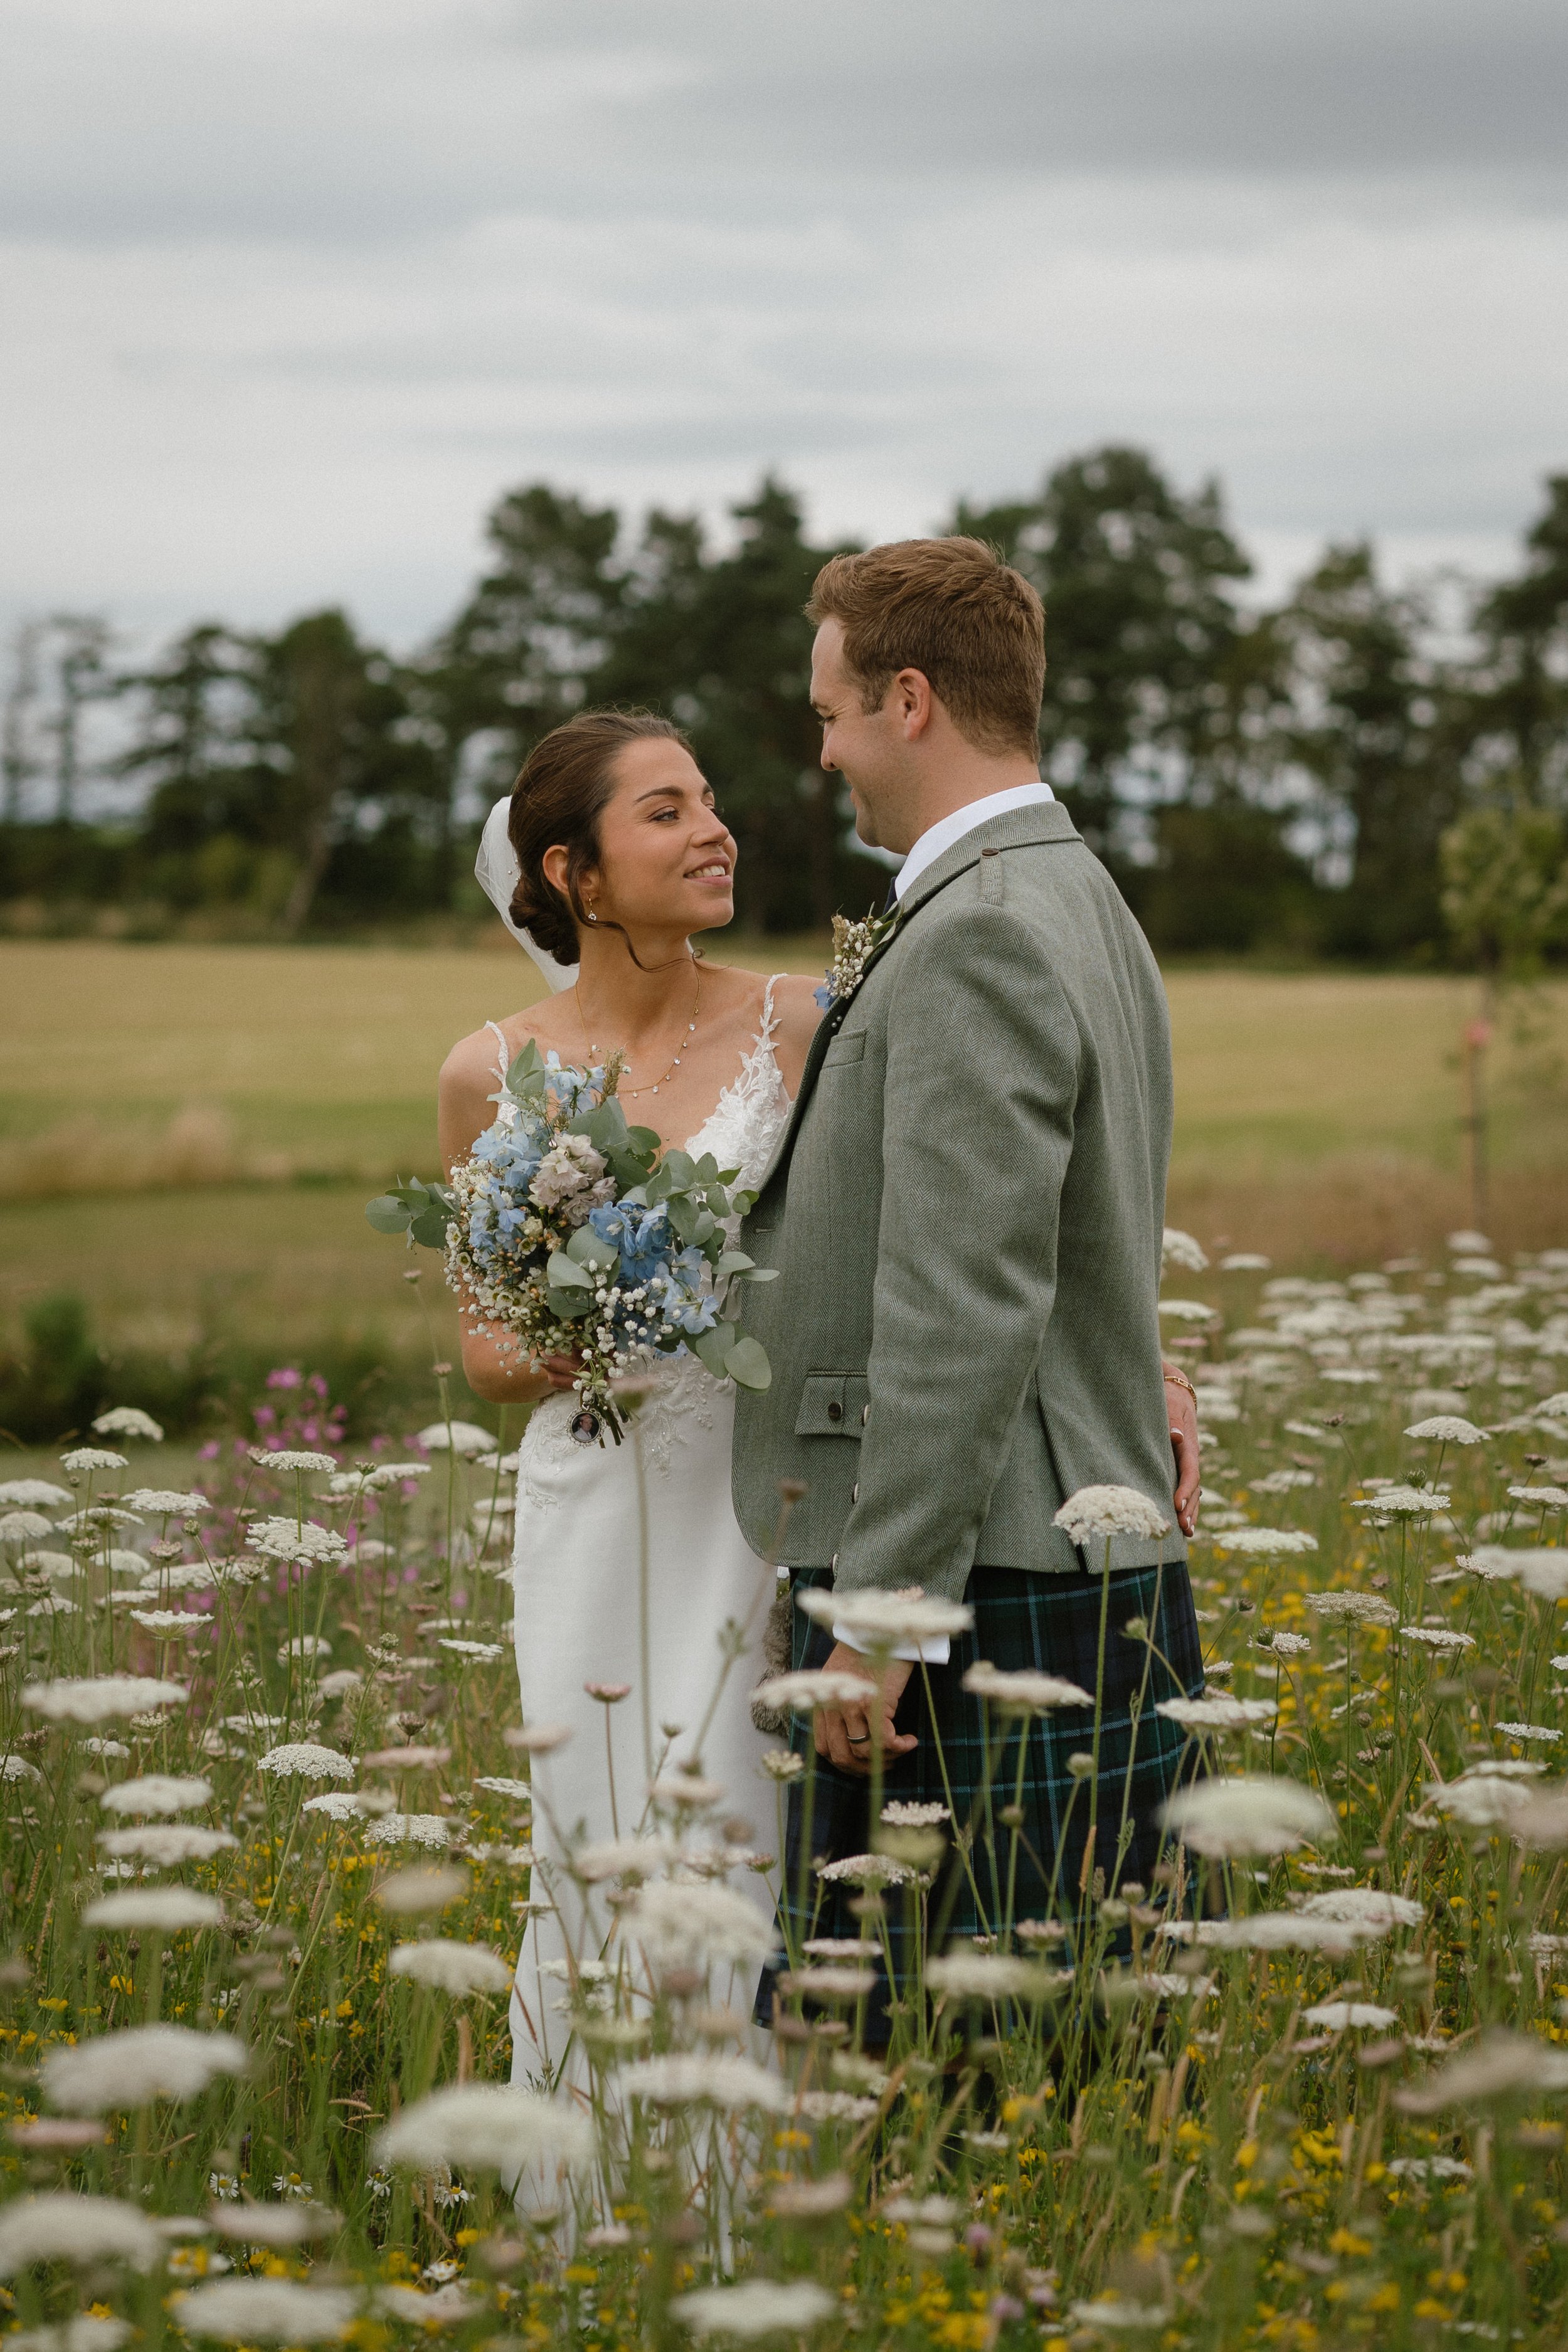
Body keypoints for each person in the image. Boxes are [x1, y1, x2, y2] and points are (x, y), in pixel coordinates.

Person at [729, 538, 1205, 2028]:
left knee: (945, 2068)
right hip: (1056, 1556)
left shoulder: (978, 930)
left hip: (981, 1586)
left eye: (830, 714)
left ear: (911, 700)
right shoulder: (1074, 895)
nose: (823, 754)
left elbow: (962, 1299)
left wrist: (878, 1619)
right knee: (1050, 2058)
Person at [443, 709, 822, 2088]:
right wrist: (573, 1330)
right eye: (664, 811)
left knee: (733, 1825)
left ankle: (743, 2189)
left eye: (708, 800)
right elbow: (483, 1351)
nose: (713, 828)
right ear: (574, 875)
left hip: (754, 1490)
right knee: (594, 1831)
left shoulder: (803, 1024)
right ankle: (586, 2200)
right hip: (590, 1496)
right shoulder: (488, 1072)